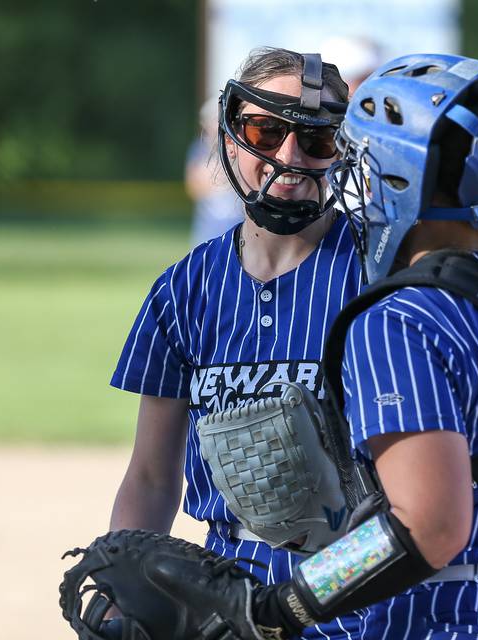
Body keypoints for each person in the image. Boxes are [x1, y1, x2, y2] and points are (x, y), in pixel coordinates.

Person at [135, 53, 478, 640]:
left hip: (450, 618)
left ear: (400, 175)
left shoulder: (396, 320)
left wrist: (279, 605)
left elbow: (426, 524)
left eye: (363, 161)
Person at [108, 47, 364, 639]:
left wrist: (301, 603)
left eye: (316, 140)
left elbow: (425, 511)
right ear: (229, 136)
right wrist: (123, 590)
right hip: (227, 595)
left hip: (363, 593)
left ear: (343, 152)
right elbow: (151, 476)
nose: (288, 156)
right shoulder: (183, 291)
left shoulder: (381, 280)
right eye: (265, 130)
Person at [186, 97, 244, 245]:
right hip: (208, 229)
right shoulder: (199, 150)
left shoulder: (239, 147)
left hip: (237, 227)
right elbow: (193, 187)